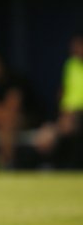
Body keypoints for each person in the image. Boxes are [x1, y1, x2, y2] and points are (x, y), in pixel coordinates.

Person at [35, 33, 83, 168]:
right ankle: (49, 166)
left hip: (77, 114)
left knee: (68, 125)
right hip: (66, 113)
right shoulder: (70, 64)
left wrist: (73, 114)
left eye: (79, 46)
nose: (76, 50)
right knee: (44, 136)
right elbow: (65, 90)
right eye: (74, 47)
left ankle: (71, 167)